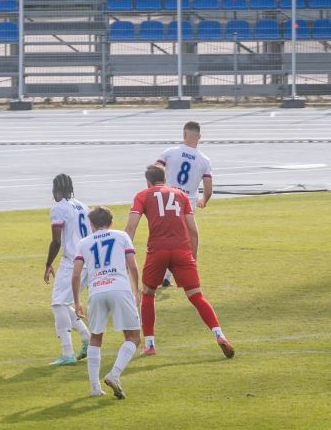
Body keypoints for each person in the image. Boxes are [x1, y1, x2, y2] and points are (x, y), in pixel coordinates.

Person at [124, 165, 234, 359]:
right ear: (165, 178)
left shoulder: (143, 195)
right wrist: (193, 257)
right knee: (196, 296)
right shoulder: (181, 196)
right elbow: (193, 230)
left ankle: (149, 344)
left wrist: (124, 252)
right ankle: (219, 334)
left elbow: (131, 226)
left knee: (148, 294)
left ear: (148, 181)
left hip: (157, 250)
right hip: (182, 251)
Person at [72, 207, 142, 399]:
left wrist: (77, 300)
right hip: (120, 289)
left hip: (96, 292)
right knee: (133, 337)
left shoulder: (83, 243)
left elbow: (76, 274)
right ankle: (114, 374)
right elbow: (133, 266)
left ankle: (95, 387)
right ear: (111, 222)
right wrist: (136, 291)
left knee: (96, 338)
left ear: (92, 224)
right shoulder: (122, 236)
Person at [154, 120, 214, 287]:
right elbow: (208, 188)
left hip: (167, 198)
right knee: (185, 239)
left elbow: (155, 169)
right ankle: (178, 272)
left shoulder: (170, 152)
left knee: (164, 235)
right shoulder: (204, 160)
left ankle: (161, 272)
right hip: (188, 202)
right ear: (199, 137)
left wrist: (156, 188)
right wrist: (204, 200)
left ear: (184, 134)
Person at [44, 174, 93, 366]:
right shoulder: (82, 205)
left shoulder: (59, 208)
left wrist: (48, 264)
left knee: (58, 304)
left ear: (57, 189)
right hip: (87, 260)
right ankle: (86, 338)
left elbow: (56, 240)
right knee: (63, 304)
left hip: (72, 262)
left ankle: (67, 353)